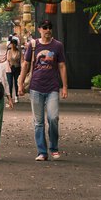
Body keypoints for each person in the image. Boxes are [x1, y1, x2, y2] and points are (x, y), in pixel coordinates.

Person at [18, 19, 68, 161]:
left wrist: (65, 87)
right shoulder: (33, 45)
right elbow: (26, 65)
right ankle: (42, 152)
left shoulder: (57, 45)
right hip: (35, 87)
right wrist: (20, 84)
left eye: (49, 27)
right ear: (39, 29)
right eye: (44, 27)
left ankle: (54, 148)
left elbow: (62, 66)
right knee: (38, 122)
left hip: (52, 87)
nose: (47, 30)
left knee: (53, 118)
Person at [5, 37, 22, 104]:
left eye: (14, 44)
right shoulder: (9, 51)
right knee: (10, 83)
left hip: (17, 68)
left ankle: (16, 96)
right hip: (9, 69)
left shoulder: (19, 52)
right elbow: (8, 59)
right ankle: (10, 97)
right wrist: (10, 64)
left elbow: (21, 60)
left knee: (16, 83)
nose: (13, 45)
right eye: (12, 44)